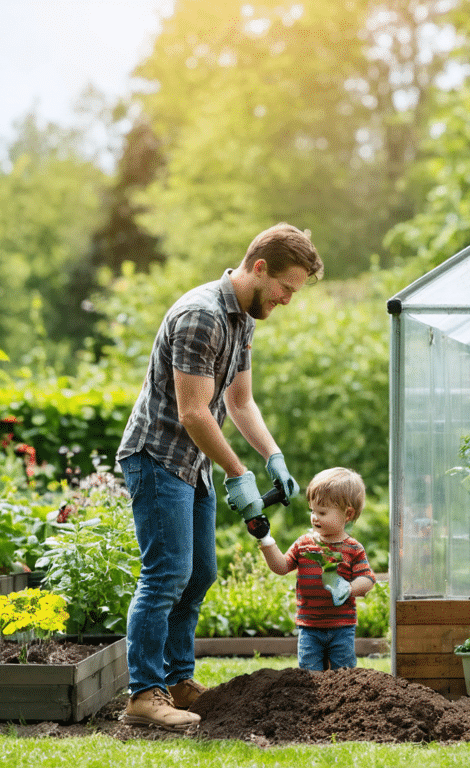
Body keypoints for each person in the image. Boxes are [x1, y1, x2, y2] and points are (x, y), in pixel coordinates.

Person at [116, 223, 323, 730]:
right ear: (259, 268)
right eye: (286, 288)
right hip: (158, 454)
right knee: (165, 574)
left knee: (200, 572)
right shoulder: (201, 316)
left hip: (192, 462)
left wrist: (273, 456)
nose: (288, 300)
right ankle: (144, 693)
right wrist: (239, 472)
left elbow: (239, 400)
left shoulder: (244, 318)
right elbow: (193, 413)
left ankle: (178, 678)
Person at [259, 467, 376, 671]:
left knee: (343, 673)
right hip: (309, 627)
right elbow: (282, 566)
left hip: (342, 627)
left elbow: (367, 579)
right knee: (309, 674)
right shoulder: (303, 544)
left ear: (348, 514)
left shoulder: (353, 548)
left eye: (322, 512)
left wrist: (348, 588)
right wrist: (266, 541)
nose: (314, 517)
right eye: (312, 510)